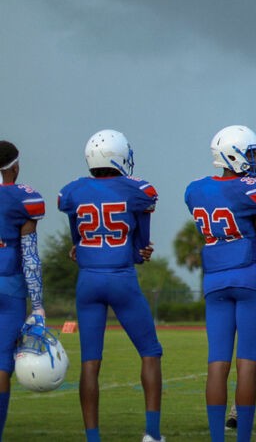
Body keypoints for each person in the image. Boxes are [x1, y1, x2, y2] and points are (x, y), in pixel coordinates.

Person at [57, 130, 164, 442]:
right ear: (118, 155)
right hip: (120, 277)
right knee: (150, 351)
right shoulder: (136, 190)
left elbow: (76, 240)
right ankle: (152, 434)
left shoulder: (73, 191)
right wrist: (140, 251)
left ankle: (93, 438)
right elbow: (141, 247)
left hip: (88, 279)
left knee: (90, 361)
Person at [185, 125, 256, 442]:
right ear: (234, 155)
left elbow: (226, 228)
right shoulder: (252, 190)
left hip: (214, 280)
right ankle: (241, 438)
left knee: (217, 362)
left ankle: (217, 437)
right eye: (251, 153)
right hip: (248, 277)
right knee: (247, 363)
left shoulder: (196, 190)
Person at [0, 140, 46, 439]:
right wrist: (39, 304)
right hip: (9, 287)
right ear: (15, 167)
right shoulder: (23, 198)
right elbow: (29, 258)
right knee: (2, 364)